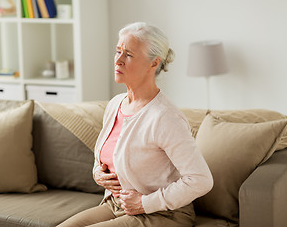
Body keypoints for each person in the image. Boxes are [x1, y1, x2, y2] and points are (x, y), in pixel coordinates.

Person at [58, 22, 213, 227]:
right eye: (118, 51)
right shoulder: (115, 105)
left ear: (153, 63)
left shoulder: (165, 117)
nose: (118, 60)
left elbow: (201, 179)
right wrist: (99, 173)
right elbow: (104, 158)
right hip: (116, 206)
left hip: (163, 214)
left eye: (129, 55)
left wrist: (144, 203)